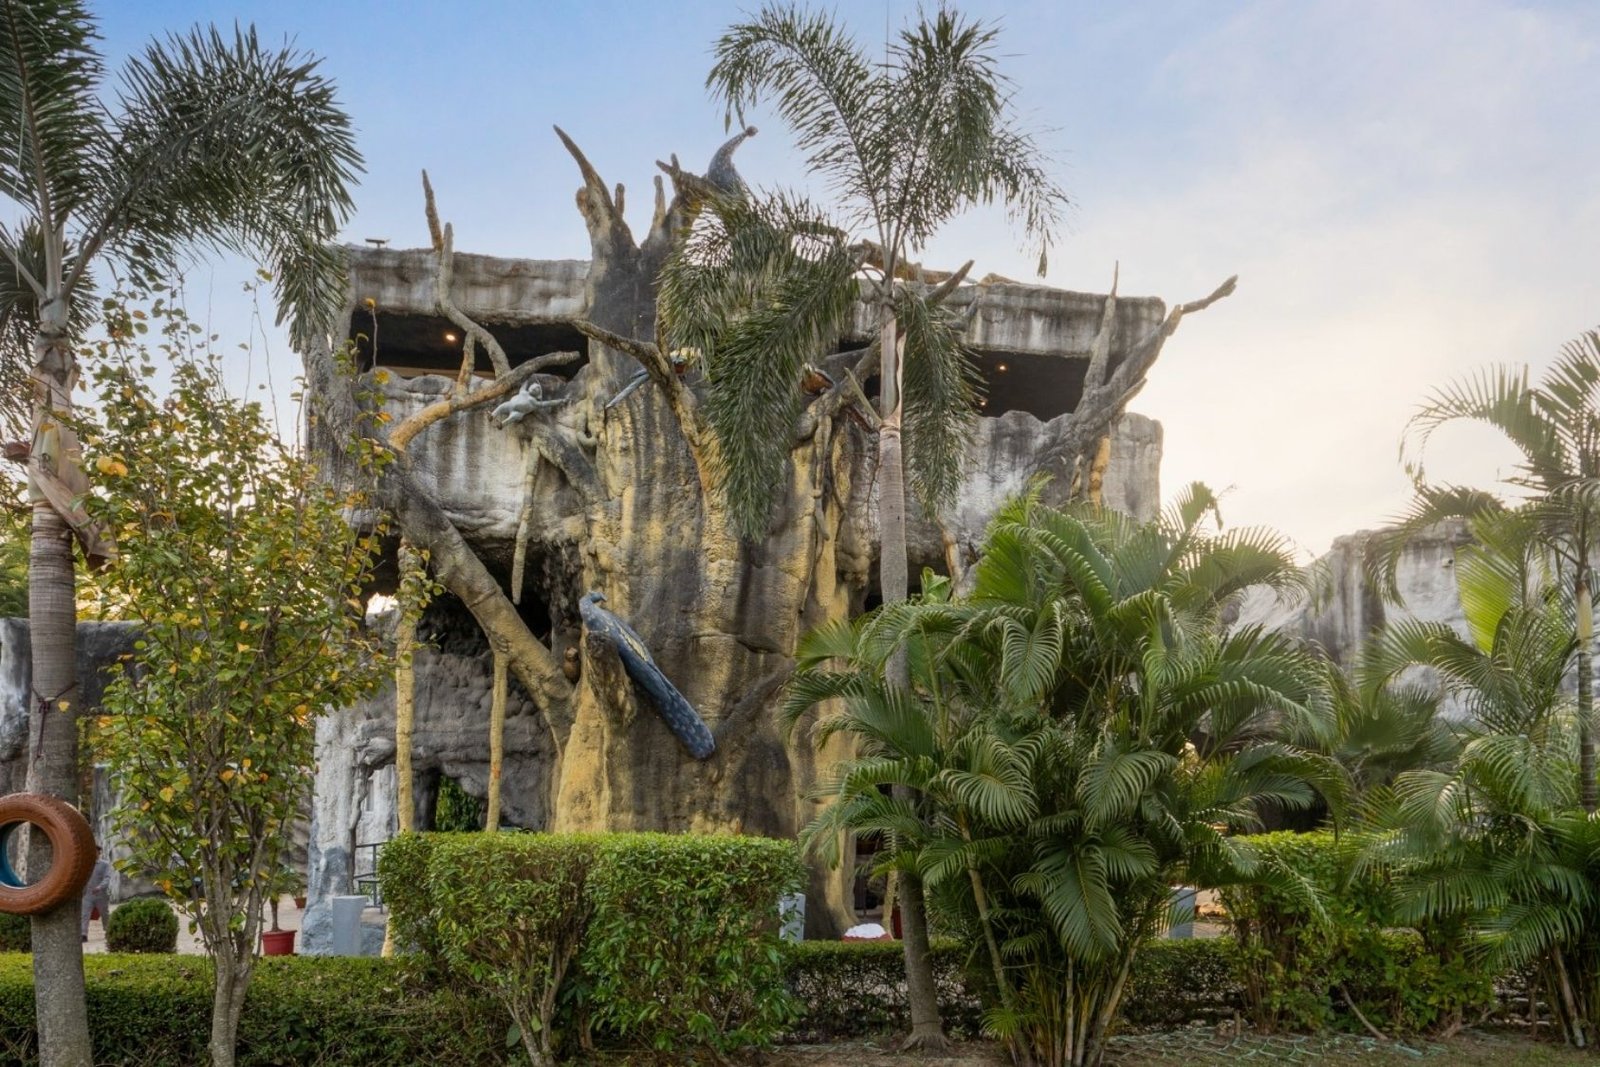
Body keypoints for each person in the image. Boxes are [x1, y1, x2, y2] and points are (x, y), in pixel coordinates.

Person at [80, 845, 112, 944]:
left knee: (104, 914)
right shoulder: (85, 864)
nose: (93, 854)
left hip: (101, 894)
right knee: (85, 914)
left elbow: (107, 878)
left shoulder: (105, 864)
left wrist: (100, 887)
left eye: (95, 851)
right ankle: (83, 934)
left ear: (99, 852)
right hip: (87, 894)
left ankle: (108, 931)